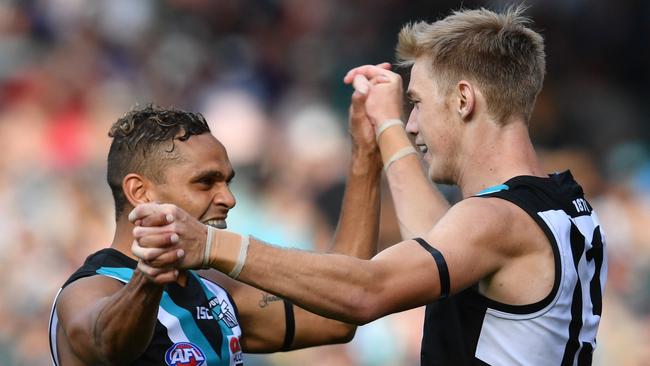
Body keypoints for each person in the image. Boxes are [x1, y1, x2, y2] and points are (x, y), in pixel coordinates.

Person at [131, 6, 607, 366]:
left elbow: (367, 293)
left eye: (416, 103)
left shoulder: (495, 220)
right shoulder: (563, 201)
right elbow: (437, 242)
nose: (413, 124)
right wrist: (385, 127)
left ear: (464, 100)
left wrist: (213, 244)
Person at [48, 93, 386, 365]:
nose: (228, 198)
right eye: (206, 182)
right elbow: (107, 344)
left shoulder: (216, 292)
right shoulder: (89, 289)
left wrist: (366, 155)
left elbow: (337, 314)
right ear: (141, 192)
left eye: (227, 182)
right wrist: (150, 275)